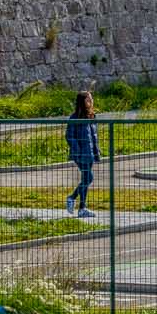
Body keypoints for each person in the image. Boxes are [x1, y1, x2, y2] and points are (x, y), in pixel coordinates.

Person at [63, 90, 100, 218]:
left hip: (90, 153)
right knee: (88, 178)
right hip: (80, 154)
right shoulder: (74, 118)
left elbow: (94, 136)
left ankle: (80, 206)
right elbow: (69, 136)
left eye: (91, 99)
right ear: (82, 102)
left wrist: (96, 151)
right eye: (88, 99)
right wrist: (77, 150)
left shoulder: (91, 116)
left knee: (86, 179)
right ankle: (74, 199)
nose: (91, 101)